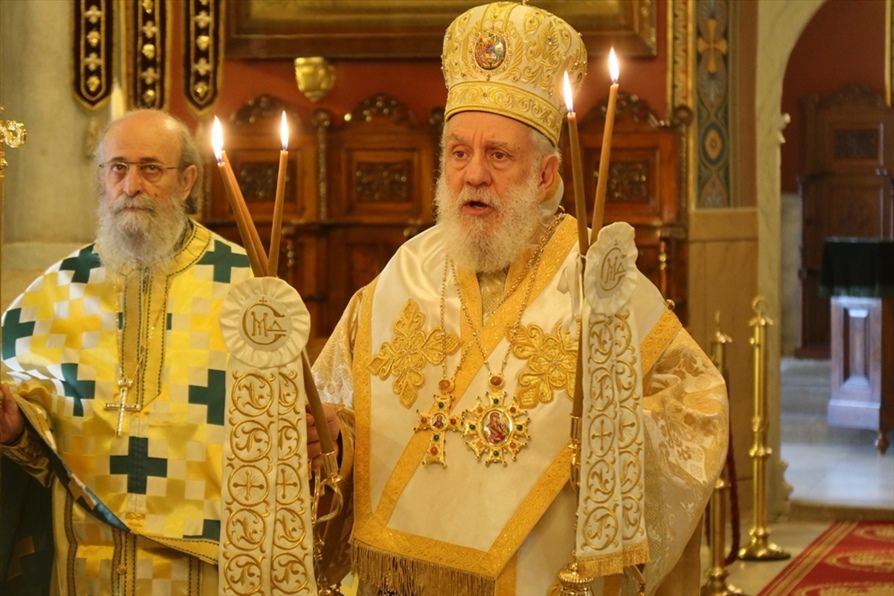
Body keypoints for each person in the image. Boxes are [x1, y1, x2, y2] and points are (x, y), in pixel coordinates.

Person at [312, 2, 729, 594]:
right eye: (459, 153)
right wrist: (333, 438)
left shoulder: (597, 281)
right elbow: (342, 418)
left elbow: (697, 407)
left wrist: (615, 436)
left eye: (498, 155)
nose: (473, 175)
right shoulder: (402, 275)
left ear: (546, 174)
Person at [0, 109, 337, 594]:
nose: (131, 185)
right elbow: (38, 456)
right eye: (118, 168)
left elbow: (284, 442)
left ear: (187, 181)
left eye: (151, 169)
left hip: (203, 568)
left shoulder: (245, 289)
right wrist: (14, 430)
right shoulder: (55, 294)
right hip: (85, 568)